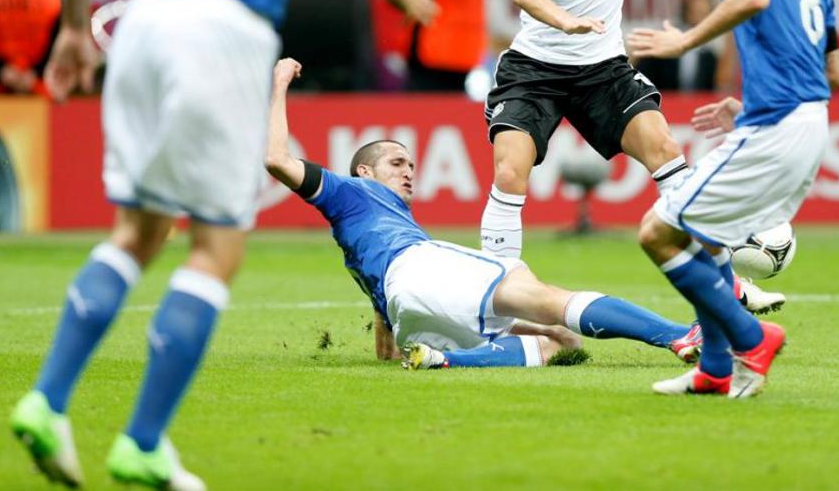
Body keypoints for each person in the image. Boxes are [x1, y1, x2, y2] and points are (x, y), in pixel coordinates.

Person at [9, 0, 436, 490]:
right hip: (221, 32)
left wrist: (69, 31)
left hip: (144, 26)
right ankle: (142, 441)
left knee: (136, 233)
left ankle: (47, 398)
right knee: (215, 244)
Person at [265, 57, 703, 370]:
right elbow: (277, 160)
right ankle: (677, 333)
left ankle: (445, 359)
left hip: (407, 312)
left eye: (411, 165)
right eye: (396, 163)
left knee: (560, 343)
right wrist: (280, 83)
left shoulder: (365, 232)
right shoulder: (352, 191)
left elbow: (386, 344)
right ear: (364, 171)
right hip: (419, 267)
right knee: (548, 299)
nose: (409, 172)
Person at [628, 0, 839, 399]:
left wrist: (684, 40)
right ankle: (715, 370)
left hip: (778, 125)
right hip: (808, 119)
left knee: (657, 233)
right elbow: (834, 71)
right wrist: (748, 106)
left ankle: (752, 337)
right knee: (703, 236)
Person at [475, 0, 689, 263]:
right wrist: (564, 20)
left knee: (666, 150)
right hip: (535, 67)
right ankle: (496, 289)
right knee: (510, 172)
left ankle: (724, 281)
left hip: (602, 67)